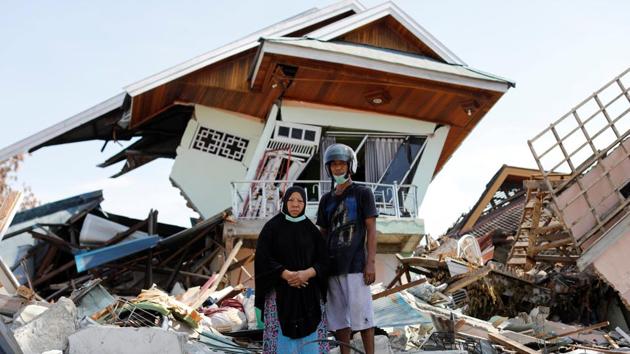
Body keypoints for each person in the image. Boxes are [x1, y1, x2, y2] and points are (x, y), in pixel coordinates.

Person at [316, 143, 378, 354]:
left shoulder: (362, 193)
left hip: (356, 266)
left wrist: (370, 263)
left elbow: (371, 229)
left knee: (364, 317)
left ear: (350, 165)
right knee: (339, 320)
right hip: (332, 268)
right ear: (328, 168)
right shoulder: (326, 200)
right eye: (333, 164)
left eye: (342, 163)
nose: (337, 168)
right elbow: (322, 234)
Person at [254, 186, 329, 354]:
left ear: (305, 204)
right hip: (280, 293)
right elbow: (263, 257)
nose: (295, 204)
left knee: (311, 342)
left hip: (308, 294)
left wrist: (307, 274)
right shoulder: (272, 228)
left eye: (300, 201)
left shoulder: (311, 231)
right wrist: (286, 274)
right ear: (285, 201)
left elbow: (324, 260)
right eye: (291, 200)